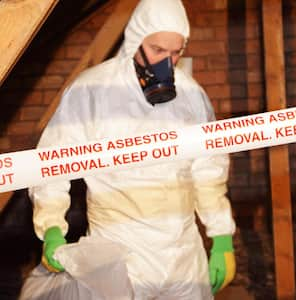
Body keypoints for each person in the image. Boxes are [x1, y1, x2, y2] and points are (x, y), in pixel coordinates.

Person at [27, 0, 236, 299]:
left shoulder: (190, 95)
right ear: (136, 40)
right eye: (158, 50)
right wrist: (51, 228)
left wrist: (221, 237)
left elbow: (208, 171)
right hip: (118, 256)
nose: (167, 62)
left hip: (182, 255)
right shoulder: (92, 92)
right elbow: (52, 163)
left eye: (176, 52)